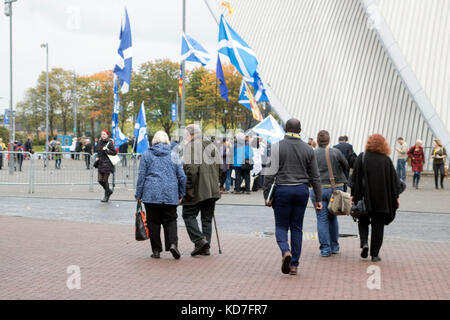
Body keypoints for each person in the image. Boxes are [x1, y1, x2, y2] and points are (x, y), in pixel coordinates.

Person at [263, 118, 322, 276]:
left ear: (285, 129)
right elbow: (315, 176)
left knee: (281, 226)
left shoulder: (277, 147)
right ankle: (294, 264)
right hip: (302, 190)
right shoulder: (308, 149)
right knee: (297, 228)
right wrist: (318, 199)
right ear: (300, 130)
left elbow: (269, 174)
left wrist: (266, 195)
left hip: (283, 190)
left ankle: (285, 251)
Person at [135, 131, 186, 259]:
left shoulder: (146, 155)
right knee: (171, 220)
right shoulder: (174, 154)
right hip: (170, 192)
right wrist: (181, 193)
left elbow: (141, 176)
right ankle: (173, 244)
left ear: (154, 141)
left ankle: (156, 250)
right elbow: (182, 176)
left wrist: (138, 194)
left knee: (153, 222)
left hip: (151, 192)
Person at [350, 134, 401, 262]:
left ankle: (364, 243)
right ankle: (374, 254)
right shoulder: (386, 160)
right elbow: (394, 182)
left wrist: (353, 195)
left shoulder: (362, 157)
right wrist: (396, 197)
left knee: (362, 220)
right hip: (381, 200)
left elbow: (355, 178)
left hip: (363, 198)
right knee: (378, 227)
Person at [182, 124, 221, 257]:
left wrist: (188, 190)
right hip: (212, 189)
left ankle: (200, 241)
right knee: (207, 218)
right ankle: (205, 247)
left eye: (185, 135)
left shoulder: (191, 147)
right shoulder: (212, 145)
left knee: (188, 214)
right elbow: (221, 168)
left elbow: (191, 171)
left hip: (198, 189)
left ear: (190, 135)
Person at [310, 130, 349, 257]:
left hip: (318, 190)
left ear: (317, 140)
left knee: (322, 219)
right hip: (335, 189)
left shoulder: (312, 154)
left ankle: (325, 249)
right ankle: (334, 246)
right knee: (333, 217)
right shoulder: (336, 152)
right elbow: (346, 166)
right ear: (329, 140)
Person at [97, 130, 117, 203]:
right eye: (102, 134)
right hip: (100, 163)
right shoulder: (99, 142)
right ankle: (109, 191)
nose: (103, 135)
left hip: (108, 164)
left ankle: (106, 196)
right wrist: (97, 157)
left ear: (107, 135)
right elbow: (98, 151)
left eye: (104, 134)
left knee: (105, 180)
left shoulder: (110, 142)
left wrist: (107, 150)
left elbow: (114, 152)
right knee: (99, 180)